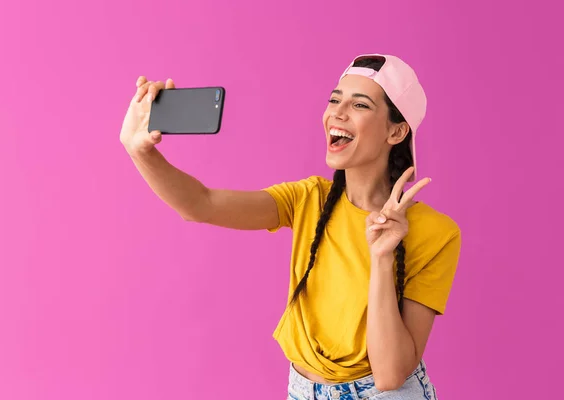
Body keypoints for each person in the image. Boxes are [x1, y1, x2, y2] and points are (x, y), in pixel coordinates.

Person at [119, 53, 461, 400]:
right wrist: (140, 152)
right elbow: (200, 204)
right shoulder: (307, 198)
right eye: (334, 100)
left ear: (396, 130)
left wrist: (383, 256)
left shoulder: (436, 232)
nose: (337, 114)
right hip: (302, 390)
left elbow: (389, 374)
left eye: (360, 105)